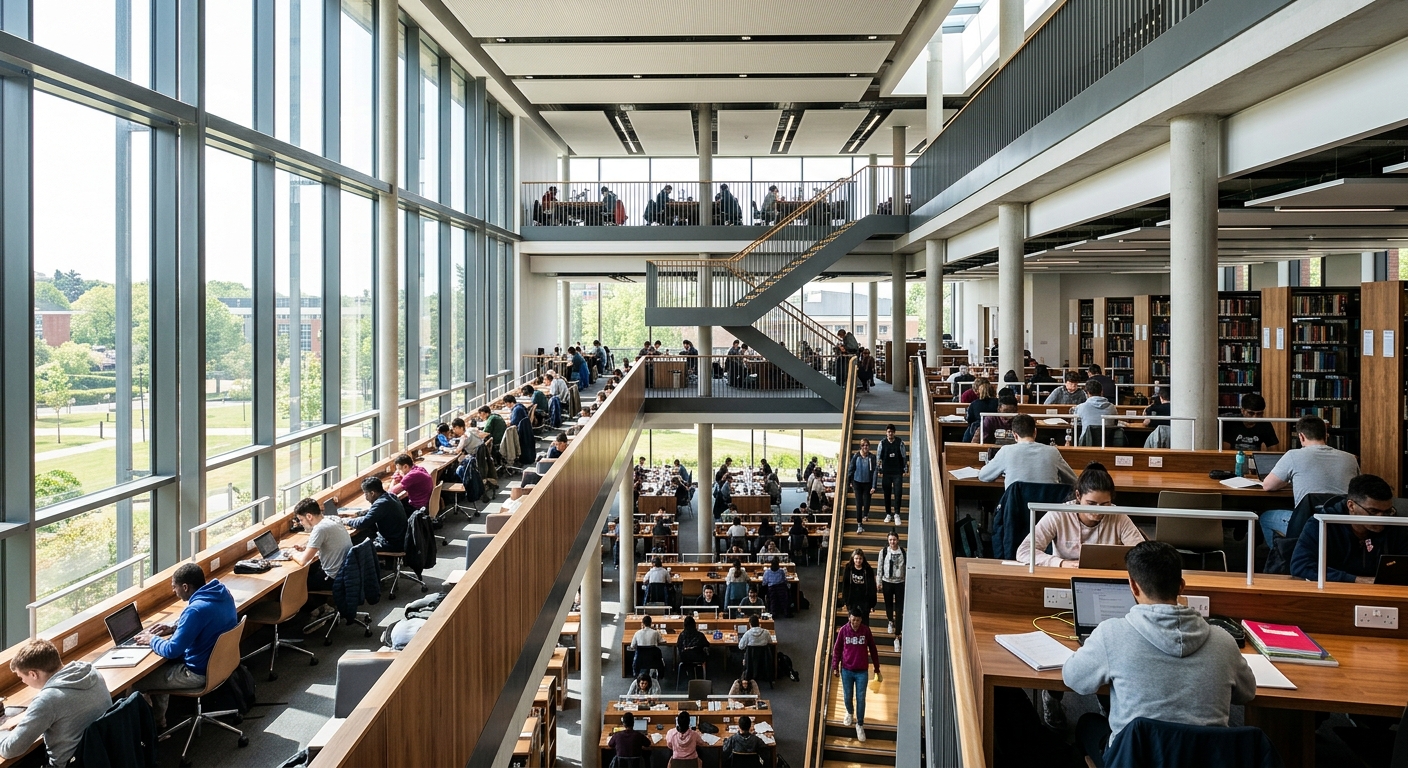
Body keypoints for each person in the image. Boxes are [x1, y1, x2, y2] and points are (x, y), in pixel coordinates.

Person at [1062, 541, 1255, 767]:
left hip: (1134, 760)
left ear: (1133, 587)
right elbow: (1247, 693)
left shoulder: (1111, 634)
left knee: (1087, 724)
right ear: (1181, 586)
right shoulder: (1224, 641)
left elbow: (1074, 679)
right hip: (1205, 760)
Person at [133, 562, 239, 728]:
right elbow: (206, 621)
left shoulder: (195, 610)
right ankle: (159, 723)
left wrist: (151, 639)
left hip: (198, 673)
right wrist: (175, 626)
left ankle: (151, 731)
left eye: (174, 587)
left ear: (185, 587)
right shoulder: (221, 592)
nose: (173, 591)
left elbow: (172, 650)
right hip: (221, 664)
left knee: (138, 682)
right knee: (162, 666)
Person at [0, 639, 111, 768]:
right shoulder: (91, 672)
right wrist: (30, 714)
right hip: (103, 754)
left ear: (33, 674)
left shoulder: (47, 700)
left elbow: (10, 750)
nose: (23, 681)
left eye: (21, 677)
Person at [1016, 462, 1145, 568]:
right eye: (1091, 504)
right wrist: (1061, 563)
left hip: (1104, 578)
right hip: (1065, 576)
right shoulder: (1059, 514)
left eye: (1105, 504)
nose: (1098, 511)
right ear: (1078, 495)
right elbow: (1024, 551)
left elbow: (1143, 555)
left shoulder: (1118, 516)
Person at [1259, 415, 1360, 546]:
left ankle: (1285, 556)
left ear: (1301, 436)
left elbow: (1268, 485)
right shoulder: (1351, 458)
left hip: (1308, 523)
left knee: (1265, 518)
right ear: (1326, 435)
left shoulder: (1293, 455)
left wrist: (1288, 480)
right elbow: (1359, 491)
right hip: (1343, 525)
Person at [1290, 474, 1407, 583]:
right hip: (1334, 590)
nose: (1381, 518)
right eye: (1373, 511)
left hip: (1381, 591)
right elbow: (1300, 566)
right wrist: (1355, 580)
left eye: (1387, 511)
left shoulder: (1395, 525)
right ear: (1351, 506)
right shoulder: (1322, 523)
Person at [977, 414, 1078, 486]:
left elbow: (983, 476)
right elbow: (1073, 480)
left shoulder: (1006, 451)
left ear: (1014, 435)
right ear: (1035, 432)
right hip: (1046, 509)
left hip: (1016, 508)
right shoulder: (1053, 452)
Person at [830, 607, 882, 742]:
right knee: (847, 696)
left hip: (862, 671)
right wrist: (835, 666)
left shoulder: (866, 631)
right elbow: (837, 649)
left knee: (861, 698)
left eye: (857, 620)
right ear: (849, 618)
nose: (855, 623)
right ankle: (849, 712)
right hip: (846, 670)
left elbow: (873, 650)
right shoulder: (843, 631)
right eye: (853, 620)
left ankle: (860, 724)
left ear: (861, 620)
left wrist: (877, 668)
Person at [290, 497, 353, 592]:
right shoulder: (333, 519)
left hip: (333, 578)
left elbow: (303, 561)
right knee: (312, 569)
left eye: (301, 520)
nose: (301, 523)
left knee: (296, 585)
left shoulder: (319, 529)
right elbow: (326, 540)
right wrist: (306, 547)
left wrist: (291, 554)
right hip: (346, 572)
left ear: (309, 516)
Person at [347, 476, 408, 553]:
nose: (366, 498)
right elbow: (375, 512)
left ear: (372, 493)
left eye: (366, 494)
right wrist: (358, 514)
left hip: (392, 544)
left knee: (355, 549)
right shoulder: (391, 496)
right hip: (400, 539)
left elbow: (363, 523)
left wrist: (347, 521)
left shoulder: (381, 504)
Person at [878, 531, 906, 646]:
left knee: (899, 609)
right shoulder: (884, 552)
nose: (892, 542)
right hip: (887, 582)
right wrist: (879, 581)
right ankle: (890, 620)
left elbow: (906, 566)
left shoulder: (902, 552)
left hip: (899, 582)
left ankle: (898, 633)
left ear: (897, 540)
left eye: (894, 539)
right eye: (890, 540)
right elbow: (880, 566)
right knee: (888, 605)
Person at [877, 424, 907, 525]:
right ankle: (888, 514)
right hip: (886, 473)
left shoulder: (900, 442)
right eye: (888, 432)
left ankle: (897, 514)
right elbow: (878, 457)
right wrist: (879, 469)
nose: (890, 433)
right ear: (886, 433)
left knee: (898, 493)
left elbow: (903, 456)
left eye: (892, 432)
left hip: (897, 472)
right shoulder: (882, 443)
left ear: (894, 432)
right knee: (887, 494)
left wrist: (905, 468)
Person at [847, 439, 879, 534]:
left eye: (867, 445)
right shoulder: (856, 456)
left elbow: (875, 471)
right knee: (859, 503)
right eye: (863, 445)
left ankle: (866, 514)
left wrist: (873, 486)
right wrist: (850, 482)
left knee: (867, 501)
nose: (865, 447)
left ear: (869, 446)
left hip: (868, 482)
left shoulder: (872, 457)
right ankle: (859, 524)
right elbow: (851, 469)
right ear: (860, 447)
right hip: (857, 482)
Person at [1073, 379, 1116, 444]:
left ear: (1088, 393)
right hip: (1108, 443)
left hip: (1086, 443)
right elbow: (1115, 422)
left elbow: (1075, 421)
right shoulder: (1112, 407)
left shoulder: (1081, 407)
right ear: (1102, 392)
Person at [840, 548, 877, 623]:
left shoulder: (868, 569)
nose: (858, 561)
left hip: (864, 599)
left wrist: (872, 604)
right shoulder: (848, 568)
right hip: (852, 599)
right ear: (853, 558)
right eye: (856, 558)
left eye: (860, 558)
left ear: (863, 559)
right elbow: (845, 585)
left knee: (864, 621)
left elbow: (872, 587)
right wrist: (845, 600)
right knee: (852, 621)